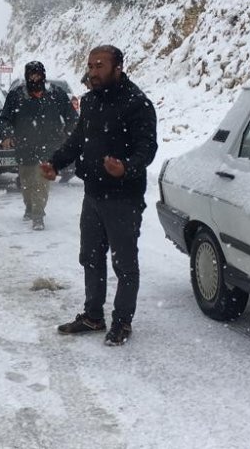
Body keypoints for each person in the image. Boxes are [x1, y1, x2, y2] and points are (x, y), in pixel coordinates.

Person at [41, 45, 158, 345]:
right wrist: (56, 162)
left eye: (99, 66)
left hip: (123, 198)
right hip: (92, 195)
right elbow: (78, 140)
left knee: (124, 264)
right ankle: (93, 316)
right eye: (90, 66)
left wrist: (127, 167)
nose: (93, 72)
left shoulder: (137, 104)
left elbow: (148, 148)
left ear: (117, 68)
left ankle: (122, 323)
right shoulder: (90, 102)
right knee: (90, 258)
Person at [0, 61, 77, 231]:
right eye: (32, 75)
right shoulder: (16, 95)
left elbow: (72, 117)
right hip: (24, 146)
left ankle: (38, 215)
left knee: (41, 180)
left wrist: (70, 135)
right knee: (26, 182)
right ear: (27, 76)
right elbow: (5, 119)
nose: (35, 78)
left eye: (38, 74)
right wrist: (6, 135)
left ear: (43, 75)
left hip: (49, 146)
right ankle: (29, 207)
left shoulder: (56, 94)